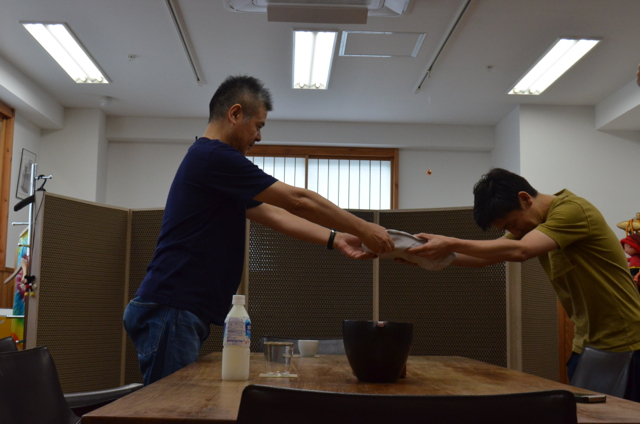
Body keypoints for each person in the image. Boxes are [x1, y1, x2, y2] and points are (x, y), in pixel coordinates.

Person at [123, 75, 394, 385]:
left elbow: (274, 214)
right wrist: (364, 227)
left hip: (177, 309)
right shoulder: (213, 156)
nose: (259, 137)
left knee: (176, 404)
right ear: (235, 113)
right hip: (172, 306)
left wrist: (338, 238)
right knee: (172, 408)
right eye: (258, 126)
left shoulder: (214, 167)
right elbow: (297, 200)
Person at [404, 168, 640, 401]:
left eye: (512, 224)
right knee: (587, 414)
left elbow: (521, 250)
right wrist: (423, 256)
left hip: (626, 340)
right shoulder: (534, 224)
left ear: (525, 199)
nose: (515, 232)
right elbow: (484, 258)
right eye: (508, 229)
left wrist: (451, 243)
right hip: (586, 342)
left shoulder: (572, 211)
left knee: (622, 415)